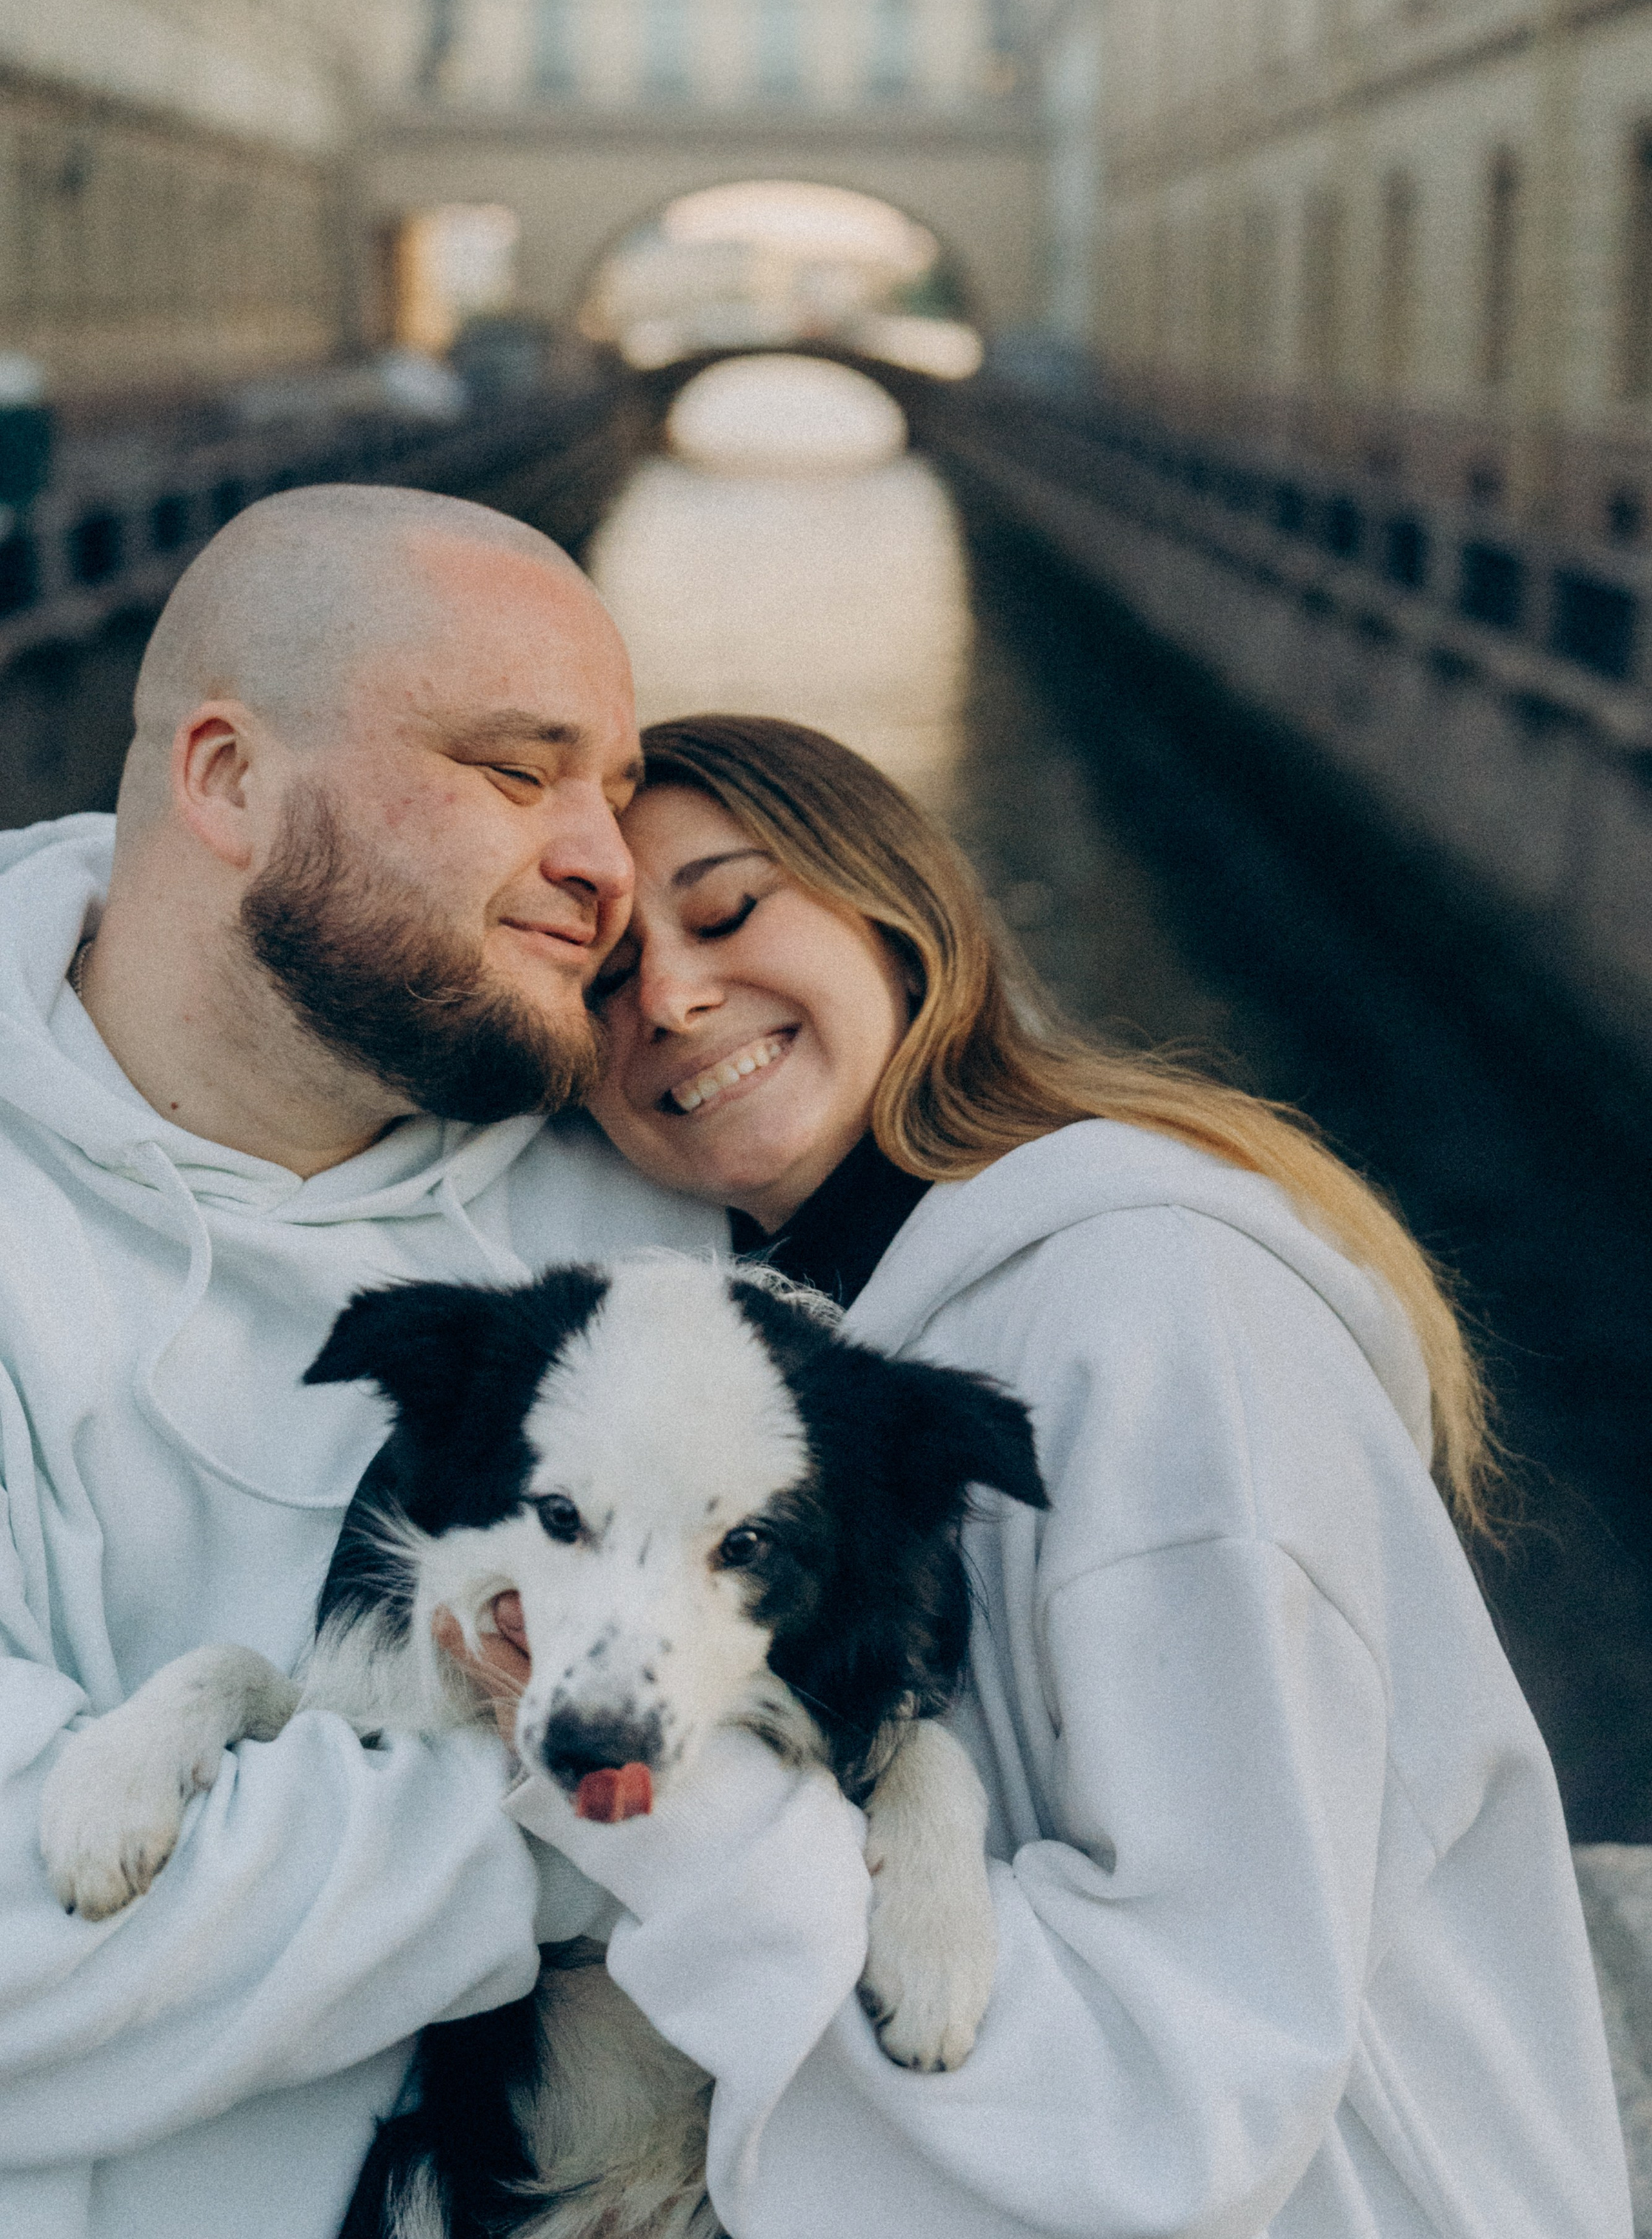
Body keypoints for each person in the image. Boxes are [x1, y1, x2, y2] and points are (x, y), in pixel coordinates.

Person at [481, 711, 1632, 2239]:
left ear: (896, 920)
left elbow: (1190, 2082)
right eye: (607, 978)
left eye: (731, 909)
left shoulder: (1150, 1304)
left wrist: (653, 1798)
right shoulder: (794, 1353)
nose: (673, 1000)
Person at [0, 485, 723, 2239]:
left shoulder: (671, 1203)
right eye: (514, 771)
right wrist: (602, 1833)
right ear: (229, 781)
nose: (608, 867)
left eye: (613, 793)